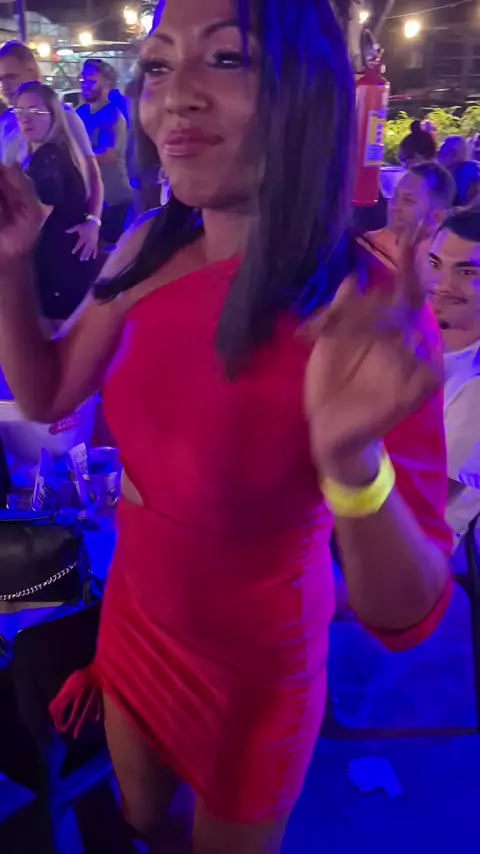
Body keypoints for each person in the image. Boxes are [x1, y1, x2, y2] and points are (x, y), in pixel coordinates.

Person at [0, 1, 452, 852]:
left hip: (256, 661)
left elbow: (407, 611)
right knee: (143, 822)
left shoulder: (367, 308)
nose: (177, 95)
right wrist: (10, 262)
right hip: (136, 613)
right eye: (159, 65)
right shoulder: (145, 243)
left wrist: (352, 464)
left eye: (228, 59)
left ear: (305, 93)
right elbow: (50, 391)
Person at [0, 41, 103, 261]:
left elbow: (92, 173)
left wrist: (94, 221)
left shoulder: (62, 116)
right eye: (1, 79)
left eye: (11, 76)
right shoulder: (7, 120)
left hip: (48, 239)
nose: (5, 85)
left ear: (32, 70)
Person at [13, 82, 100, 323]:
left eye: (35, 111)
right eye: (20, 111)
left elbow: (33, 220)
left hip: (56, 266)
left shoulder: (48, 157)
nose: (25, 118)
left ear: (53, 115)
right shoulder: (58, 151)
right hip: (68, 262)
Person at [426, 207, 480, 550]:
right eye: (434, 264)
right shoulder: (407, 334)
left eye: (467, 272)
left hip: (419, 546)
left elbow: (429, 495)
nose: (443, 285)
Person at [77, 59, 133, 245]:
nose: (84, 84)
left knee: (106, 253)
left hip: (113, 199)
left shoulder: (112, 114)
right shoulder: (81, 112)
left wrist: (74, 158)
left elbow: (108, 155)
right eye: (82, 79)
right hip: (90, 200)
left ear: (108, 81)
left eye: (91, 79)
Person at [366, 161, 456, 265]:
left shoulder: (448, 264)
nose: (393, 206)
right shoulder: (367, 246)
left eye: (408, 200)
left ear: (437, 216)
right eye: (394, 195)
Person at [438, 135, 480, 207]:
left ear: (454, 153)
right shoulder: (439, 173)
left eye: (443, 152)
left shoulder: (470, 170)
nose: (439, 156)